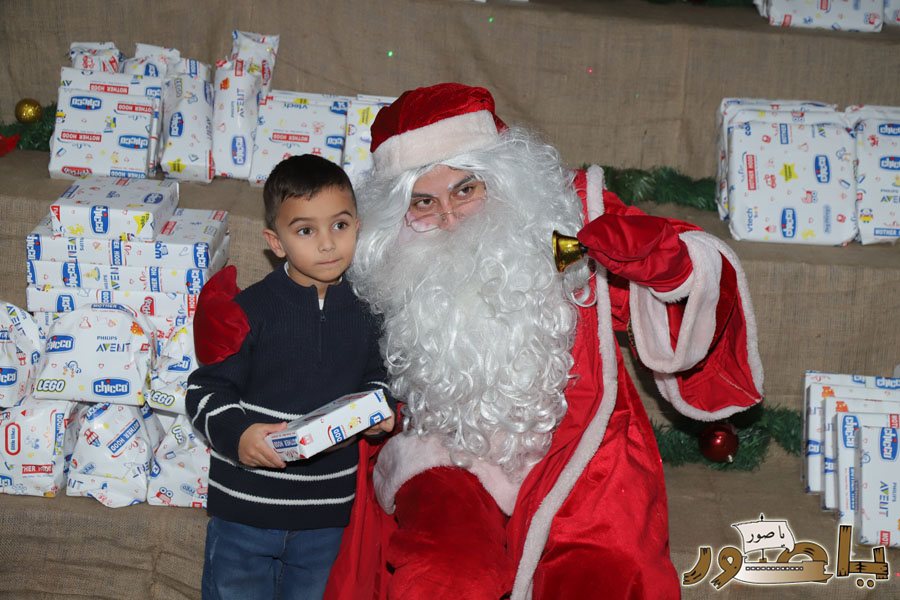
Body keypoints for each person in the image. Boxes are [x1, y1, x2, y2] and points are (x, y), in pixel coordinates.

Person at [321, 83, 764, 600]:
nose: (448, 216)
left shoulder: (555, 234)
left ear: (503, 181)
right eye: (424, 201)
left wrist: (663, 265)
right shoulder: (398, 263)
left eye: (466, 189)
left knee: (605, 578)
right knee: (442, 575)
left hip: (572, 447)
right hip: (444, 454)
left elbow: (676, 281)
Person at [186, 154, 395, 600]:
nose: (326, 244)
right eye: (305, 230)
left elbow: (382, 376)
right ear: (275, 241)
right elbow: (206, 389)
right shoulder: (251, 310)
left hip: (325, 516)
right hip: (246, 510)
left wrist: (379, 408)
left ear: (358, 226)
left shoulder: (370, 312)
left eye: (339, 226)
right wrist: (237, 435)